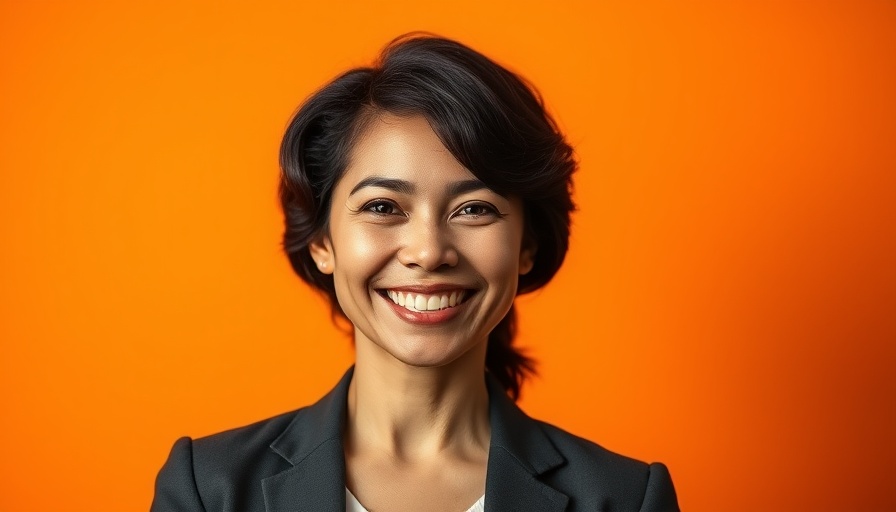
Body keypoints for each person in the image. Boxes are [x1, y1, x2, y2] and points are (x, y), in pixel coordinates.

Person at [151, 34, 680, 512]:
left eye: (475, 209)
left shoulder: (624, 499)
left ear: (527, 245)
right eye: (382, 207)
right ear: (322, 242)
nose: (428, 252)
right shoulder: (209, 490)